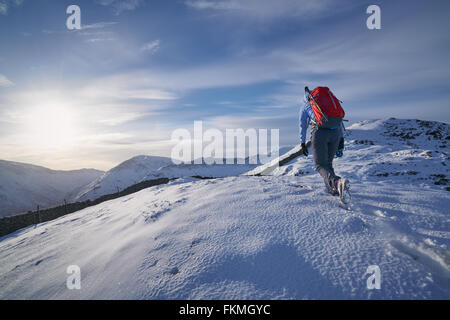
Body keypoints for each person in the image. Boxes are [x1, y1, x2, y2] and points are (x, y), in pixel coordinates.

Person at [299, 86, 348, 198]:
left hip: (320, 133)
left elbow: (302, 126)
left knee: (319, 165)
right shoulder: (328, 103)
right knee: (328, 164)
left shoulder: (306, 105)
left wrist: (302, 143)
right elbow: (339, 122)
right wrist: (341, 139)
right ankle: (334, 190)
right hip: (335, 132)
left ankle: (336, 182)